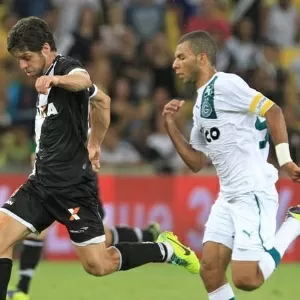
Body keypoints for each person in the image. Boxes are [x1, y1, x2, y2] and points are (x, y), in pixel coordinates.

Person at [0, 16, 200, 300]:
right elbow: (102, 101)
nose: (22, 65)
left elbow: (84, 80)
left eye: (26, 57)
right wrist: (94, 144)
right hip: (41, 184)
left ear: (46, 49)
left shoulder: (65, 69)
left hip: (72, 189)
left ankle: (166, 249)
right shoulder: (45, 79)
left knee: (98, 264)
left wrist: (56, 79)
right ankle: (20, 291)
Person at [163, 30, 300, 300]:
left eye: (181, 57)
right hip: (228, 196)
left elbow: (273, 111)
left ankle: (294, 224)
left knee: (246, 279)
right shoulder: (200, 103)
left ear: (202, 58)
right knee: (210, 270)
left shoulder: (225, 84)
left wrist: (285, 160)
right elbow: (196, 162)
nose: (174, 64)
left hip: (253, 191)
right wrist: (170, 127)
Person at [7, 85, 161, 300]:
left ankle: (149, 237)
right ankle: (22, 288)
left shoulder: (82, 119)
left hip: (78, 186)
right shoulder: (55, 117)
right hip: (54, 185)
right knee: (37, 232)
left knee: (103, 242)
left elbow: (92, 137)